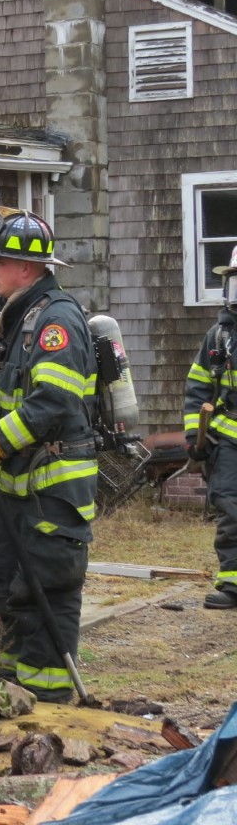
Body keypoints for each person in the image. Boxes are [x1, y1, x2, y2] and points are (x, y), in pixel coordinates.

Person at [0, 206, 97, 704]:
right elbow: (16, 396)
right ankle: (14, 691)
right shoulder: (19, 316)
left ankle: (50, 703)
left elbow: (54, 401)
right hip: (16, 489)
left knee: (46, 590)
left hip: (52, 489)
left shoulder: (56, 319)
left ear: (27, 267)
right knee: (5, 584)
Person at [184, 244, 237, 610]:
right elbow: (197, 387)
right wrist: (194, 438)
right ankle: (232, 584)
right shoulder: (219, 337)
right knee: (231, 510)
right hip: (228, 441)